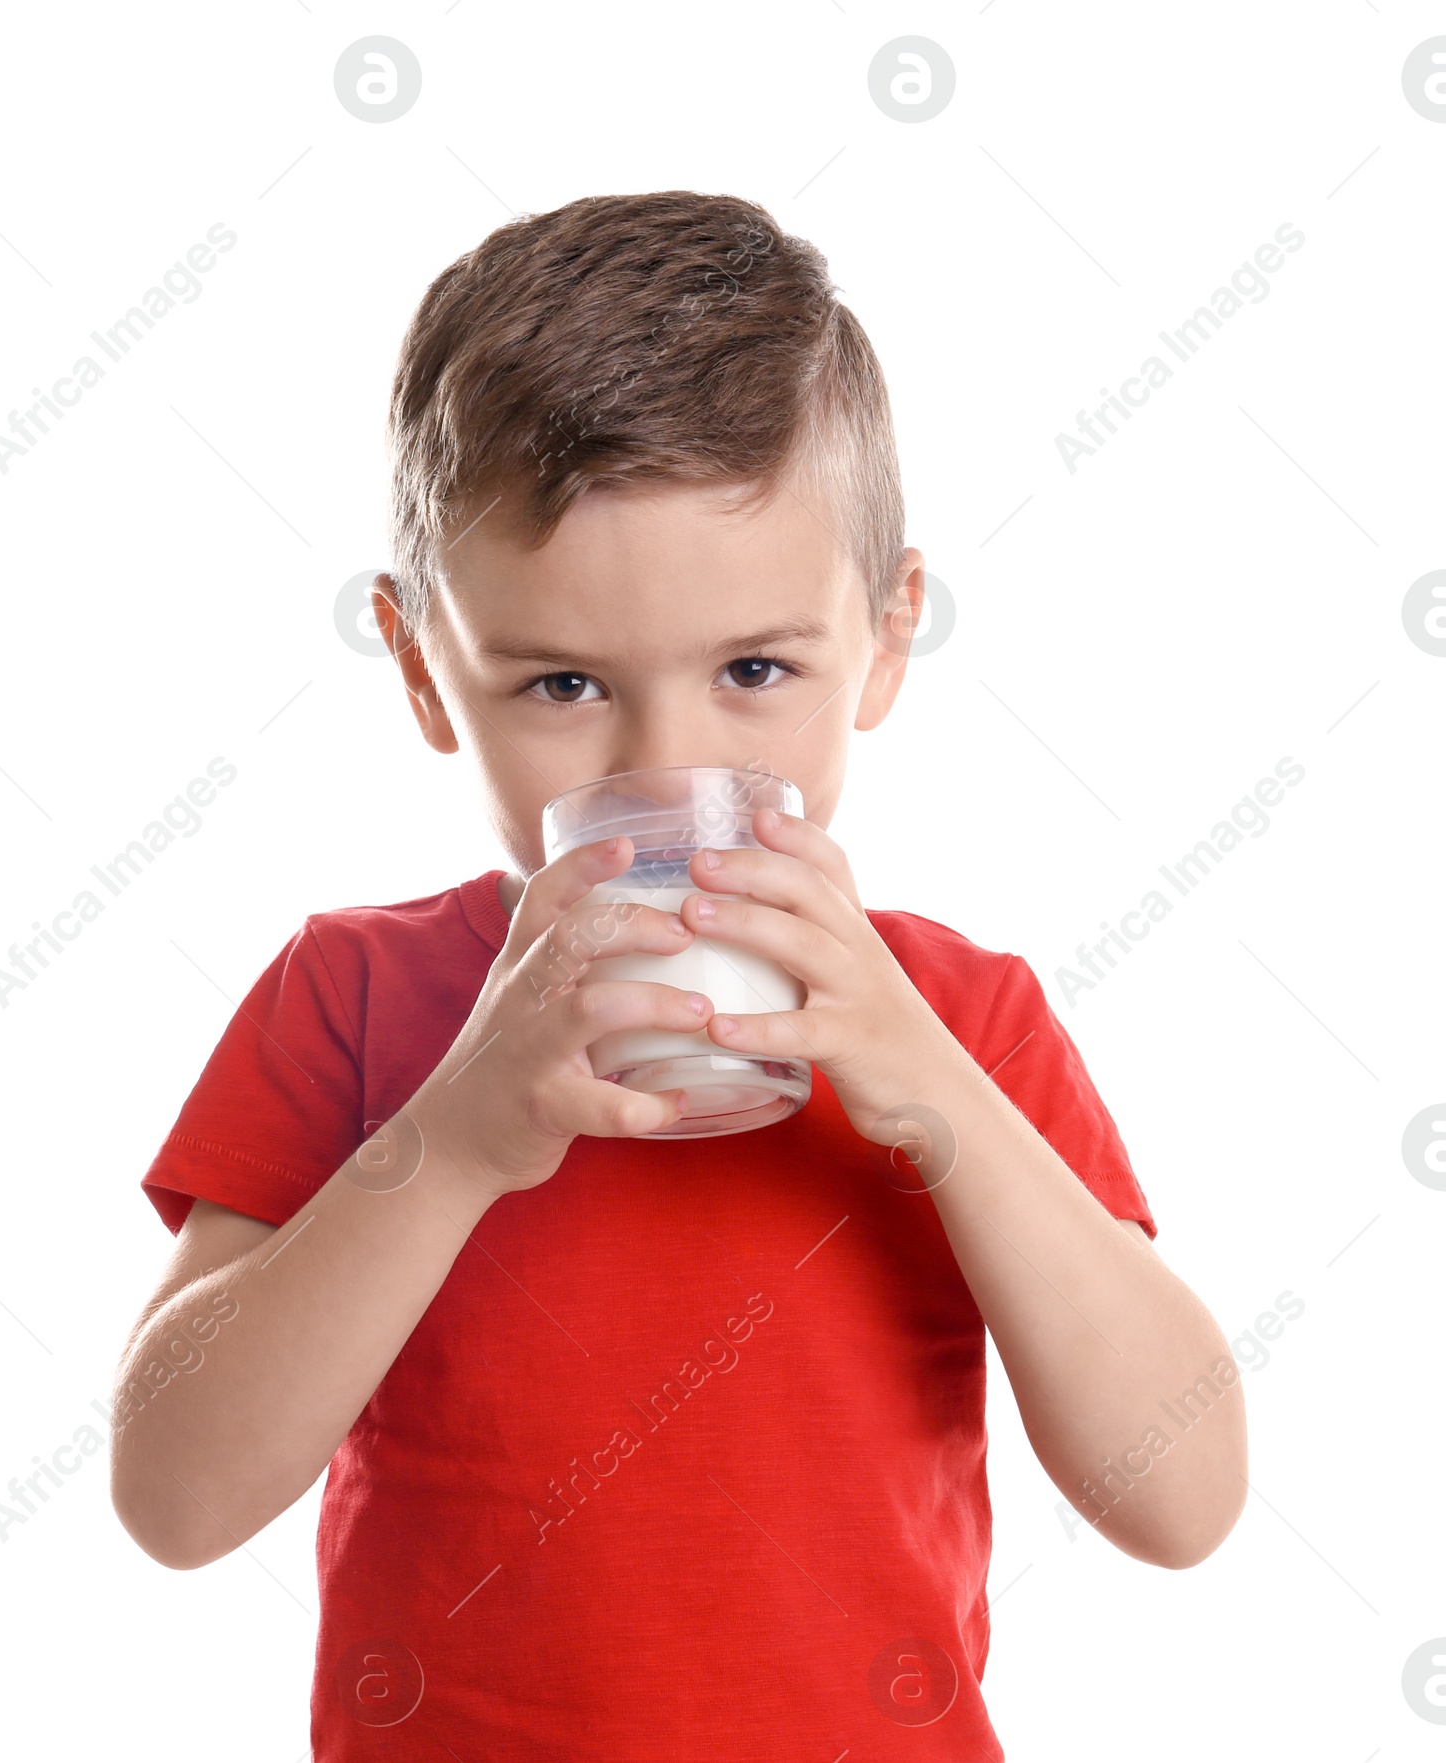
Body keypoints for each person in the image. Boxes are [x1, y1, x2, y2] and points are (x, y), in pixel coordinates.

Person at [110, 189, 1246, 1759]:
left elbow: (1181, 1500)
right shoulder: (355, 999)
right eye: (563, 683)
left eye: (756, 672)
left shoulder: (964, 1020)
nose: (671, 764)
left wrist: (925, 1087)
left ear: (890, 636)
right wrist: (449, 1142)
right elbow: (172, 1496)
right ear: (430, 673)